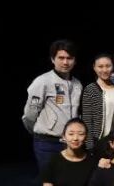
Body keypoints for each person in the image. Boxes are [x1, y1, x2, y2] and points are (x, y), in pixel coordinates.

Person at [23, 39, 82, 172]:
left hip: (70, 143)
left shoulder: (77, 84)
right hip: (47, 143)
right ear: (52, 59)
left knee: (69, 181)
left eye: (69, 58)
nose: (65, 62)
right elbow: (30, 114)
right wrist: (39, 131)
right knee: (50, 181)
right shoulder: (42, 81)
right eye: (61, 58)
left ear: (75, 61)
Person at [81, 53, 114, 151]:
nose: (104, 70)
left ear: (113, 67)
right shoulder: (90, 89)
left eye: (108, 66)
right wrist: (89, 147)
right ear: (94, 68)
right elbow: (87, 120)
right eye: (100, 66)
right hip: (99, 141)